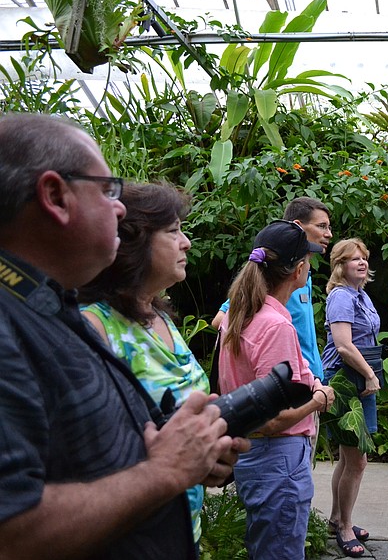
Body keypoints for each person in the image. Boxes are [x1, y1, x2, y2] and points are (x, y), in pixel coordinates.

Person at [0, 113, 245, 560]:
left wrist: (193, 458)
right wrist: (164, 472)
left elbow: (89, 460)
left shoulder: (50, 309)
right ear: (55, 195)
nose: (119, 206)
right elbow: (10, 532)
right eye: (108, 189)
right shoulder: (13, 321)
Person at [78, 182, 209, 547]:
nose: (186, 243)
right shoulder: (95, 327)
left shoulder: (161, 319)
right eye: (172, 232)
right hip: (129, 537)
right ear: (133, 243)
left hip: (184, 531)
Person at [218, 220, 335, 560]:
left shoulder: (239, 314)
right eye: (308, 261)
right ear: (299, 269)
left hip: (254, 456)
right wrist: (318, 400)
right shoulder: (276, 326)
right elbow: (273, 418)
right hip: (277, 458)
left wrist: (308, 381)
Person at [320, 238, 381, 557]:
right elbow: (343, 345)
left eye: (364, 257)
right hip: (345, 381)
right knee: (357, 459)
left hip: (359, 380)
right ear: (340, 265)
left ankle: (337, 518)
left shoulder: (361, 295)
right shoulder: (342, 297)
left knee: (349, 458)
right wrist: (370, 374)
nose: (361, 262)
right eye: (353, 258)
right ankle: (345, 527)